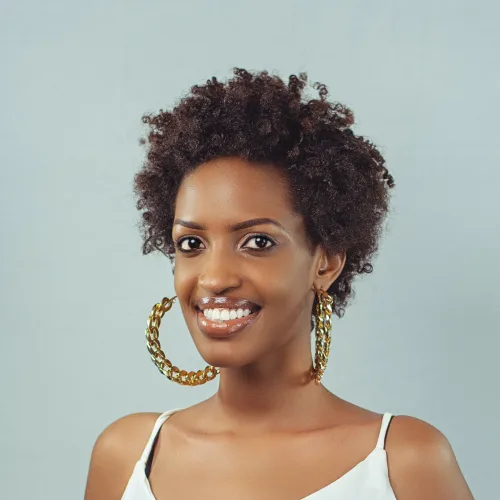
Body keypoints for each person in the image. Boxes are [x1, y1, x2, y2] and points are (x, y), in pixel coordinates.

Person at [84, 68, 474, 499]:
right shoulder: (127, 455)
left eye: (258, 242)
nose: (214, 277)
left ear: (326, 262)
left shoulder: (405, 462)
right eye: (192, 243)